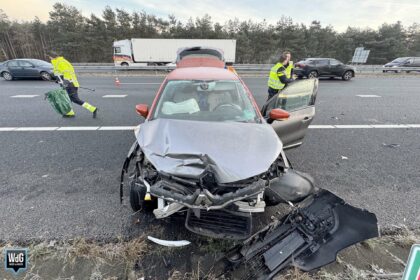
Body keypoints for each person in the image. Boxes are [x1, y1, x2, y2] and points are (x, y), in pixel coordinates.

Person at [48, 52, 98, 118]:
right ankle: (70, 113)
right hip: (66, 84)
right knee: (67, 99)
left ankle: (93, 109)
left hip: (70, 84)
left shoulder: (61, 62)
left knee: (75, 100)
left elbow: (67, 73)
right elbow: (59, 74)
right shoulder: (57, 62)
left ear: (52, 56)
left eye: (49, 56)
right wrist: (58, 80)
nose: (49, 58)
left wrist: (65, 82)